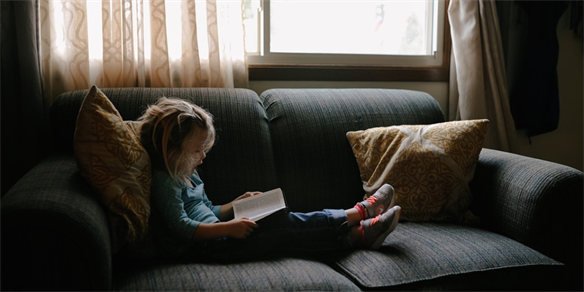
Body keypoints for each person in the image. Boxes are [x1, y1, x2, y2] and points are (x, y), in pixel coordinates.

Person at [139, 97, 401, 262]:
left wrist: (234, 204)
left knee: (283, 225)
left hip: (219, 237)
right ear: (171, 150)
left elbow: (208, 211)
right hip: (209, 248)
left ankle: (358, 234)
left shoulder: (188, 174)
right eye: (197, 150)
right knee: (281, 225)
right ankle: (359, 213)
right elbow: (182, 227)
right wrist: (229, 228)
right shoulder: (165, 182)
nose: (203, 156)